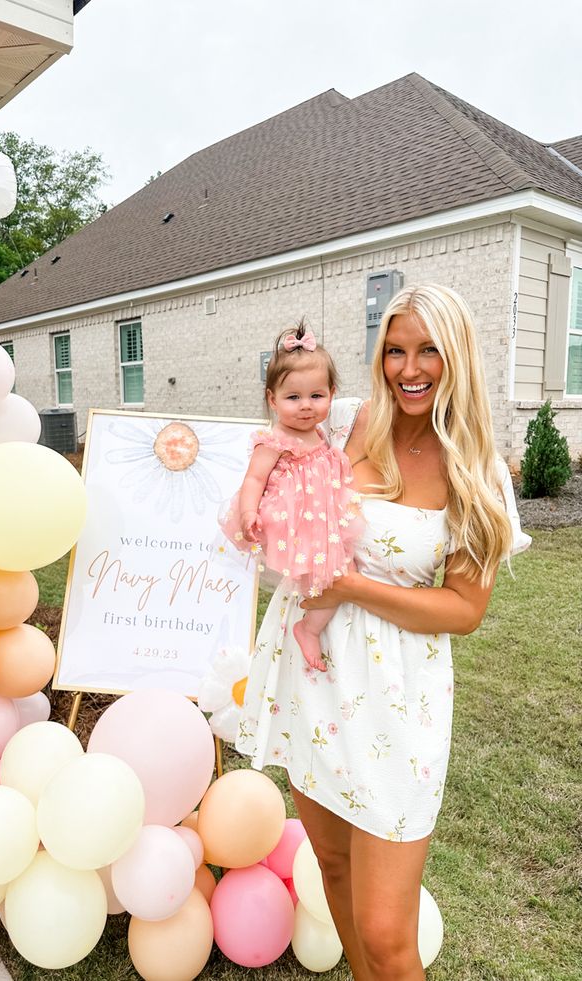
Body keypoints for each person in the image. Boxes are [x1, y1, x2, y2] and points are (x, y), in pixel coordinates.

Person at [236, 285, 530, 981]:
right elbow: (278, 448)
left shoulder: (475, 469)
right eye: (395, 350)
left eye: (428, 349)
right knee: (331, 863)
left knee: (388, 935)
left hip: (400, 699)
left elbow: (464, 609)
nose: (409, 367)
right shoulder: (354, 421)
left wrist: (350, 587)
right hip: (313, 675)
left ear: (455, 356)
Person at [220, 321, 363, 671]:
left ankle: (308, 626)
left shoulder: (320, 433)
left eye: (317, 396)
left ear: (331, 393)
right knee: (329, 577)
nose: (305, 406)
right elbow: (254, 478)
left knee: (346, 573)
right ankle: (308, 629)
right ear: (273, 399)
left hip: (324, 522)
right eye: (293, 397)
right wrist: (248, 512)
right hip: (293, 524)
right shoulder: (275, 440)